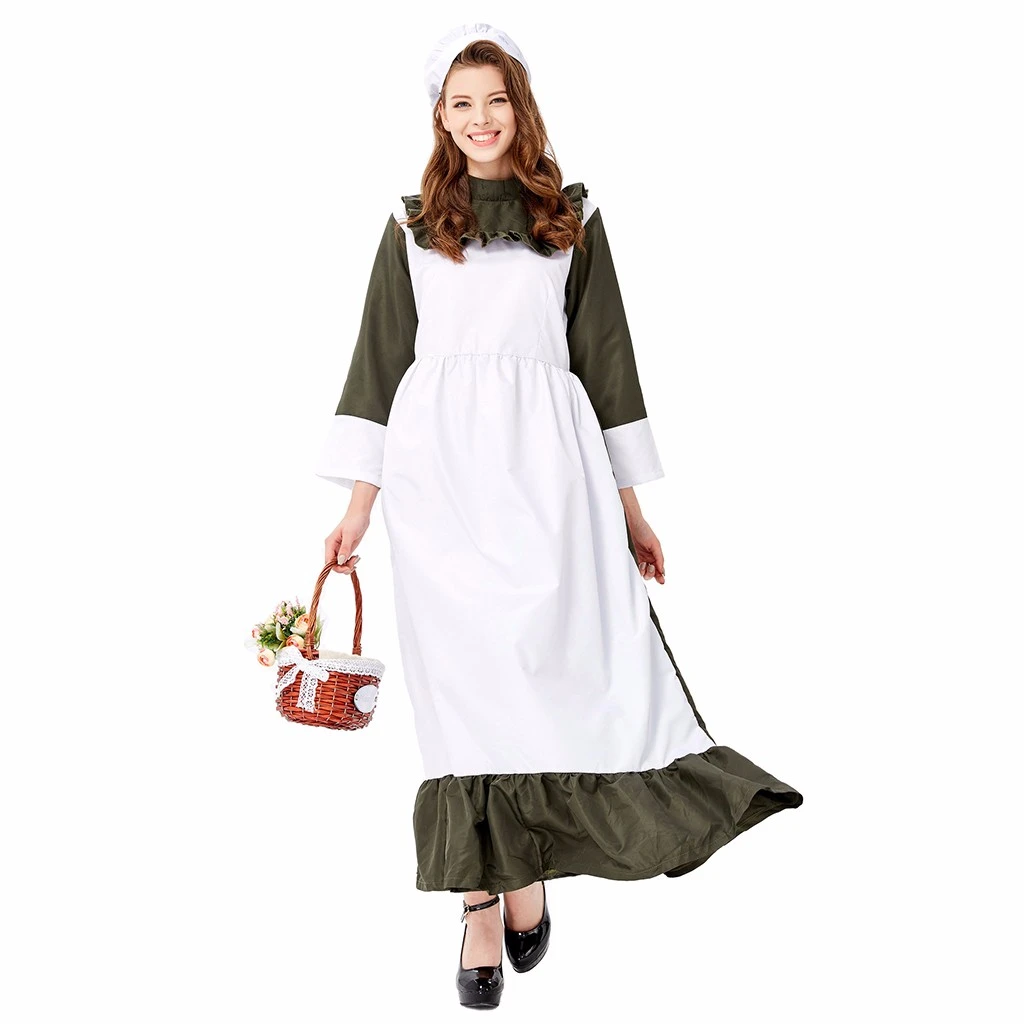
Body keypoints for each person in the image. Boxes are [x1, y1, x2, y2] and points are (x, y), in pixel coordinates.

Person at [315, 23, 803, 1009]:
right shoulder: (411, 228)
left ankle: (527, 861)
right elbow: (378, 364)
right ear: (440, 118)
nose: (480, 118)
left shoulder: (571, 221)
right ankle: (478, 901)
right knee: (460, 690)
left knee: (547, 670)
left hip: (550, 476)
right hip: (438, 482)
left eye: (495, 99)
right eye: (461, 103)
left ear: (521, 107)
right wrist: (357, 510)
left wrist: (632, 509)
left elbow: (606, 361)